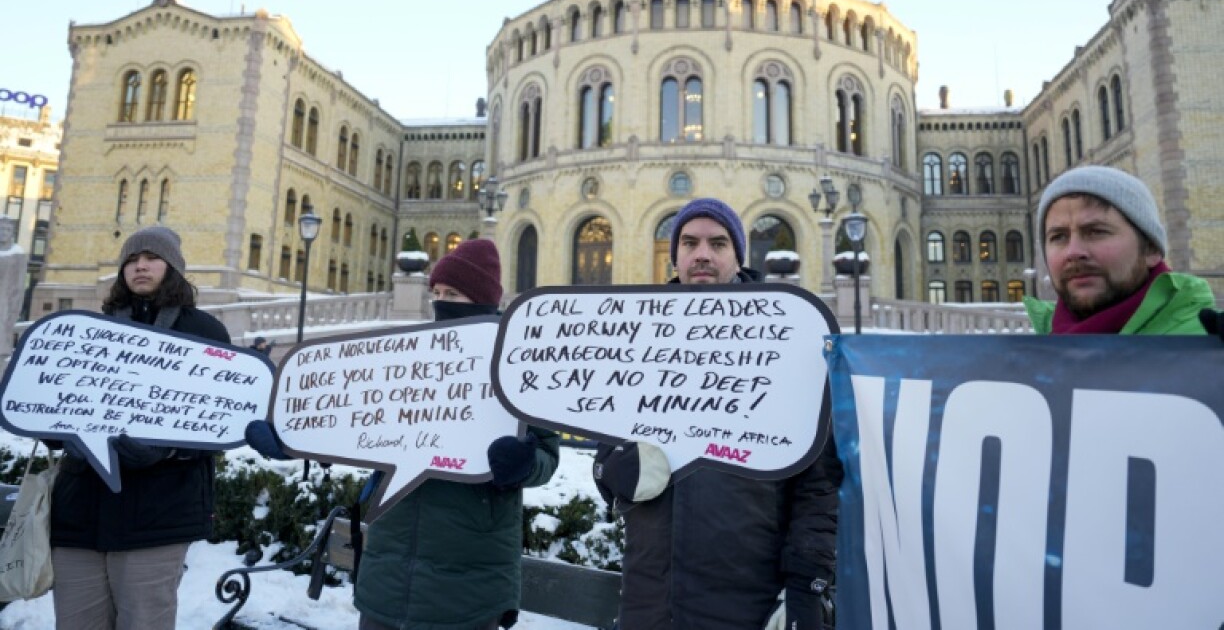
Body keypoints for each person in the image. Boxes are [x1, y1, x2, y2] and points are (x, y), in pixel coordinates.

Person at [246, 238, 559, 630]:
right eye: (438, 292)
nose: (441, 301)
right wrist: (294, 440)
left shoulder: (518, 360)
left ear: (481, 300)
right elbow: (350, 422)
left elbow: (548, 453)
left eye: (454, 294)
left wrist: (525, 464)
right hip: (386, 575)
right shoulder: (408, 359)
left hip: (468, 588)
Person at [593, 198, 842, 629]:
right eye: (689, 242)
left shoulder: (785, 341)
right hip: (650, 602)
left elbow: (818, 486)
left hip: (747, 603)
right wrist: (614, 469)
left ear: (737, 256)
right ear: (675, 256)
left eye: (717, 243)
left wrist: (807, 589)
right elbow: (606, 454)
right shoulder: (638, 339)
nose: (702, 254)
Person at [50, 225, 231, 630]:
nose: (140, 266)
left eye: (151, 258)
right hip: (80, 512)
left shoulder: (203, 333)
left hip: (157, 516)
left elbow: (220, 422)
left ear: (173, 268)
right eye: (131, 260)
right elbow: (53, 405)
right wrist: (59, 432)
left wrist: (168, 450)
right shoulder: (87, 332)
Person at [1025, 165, 1214, 335]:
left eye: (1096, 232)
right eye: (1058, 237)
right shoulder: (1037, 349)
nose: (1073, 252)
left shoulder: (1206, 344)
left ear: (1151, 248)